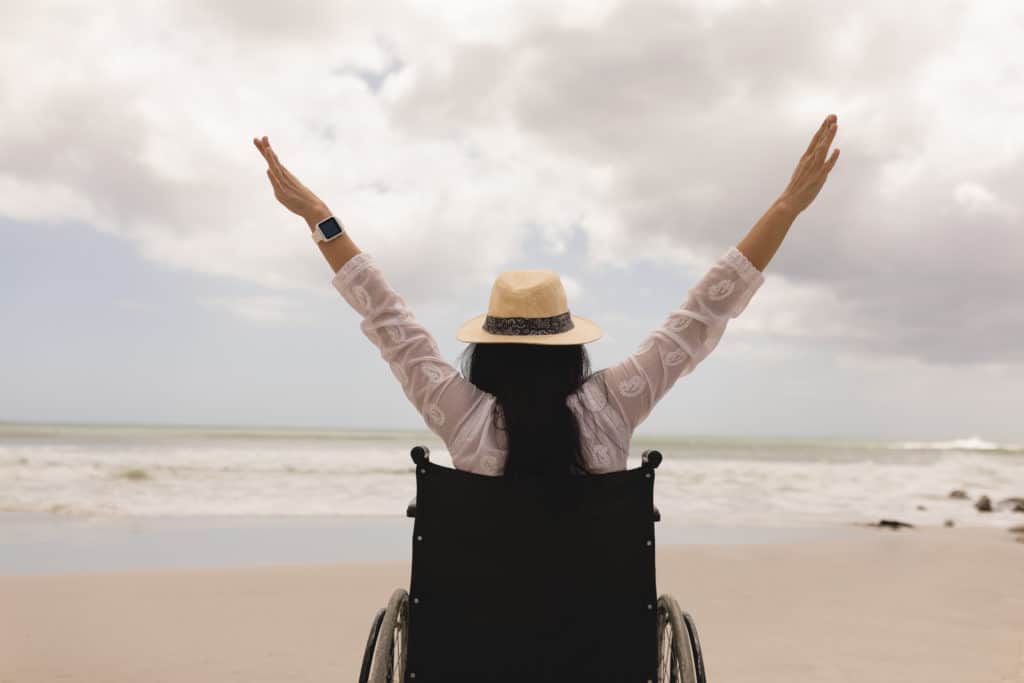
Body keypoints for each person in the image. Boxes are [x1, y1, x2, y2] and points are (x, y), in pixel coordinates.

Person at [253, 114, 840, 478]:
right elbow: (702, 313)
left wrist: (321, 218)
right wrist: (786, 208)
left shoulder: (459, 413)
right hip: (596, 639)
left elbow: (386, 316)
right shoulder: (613, 405)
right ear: (568, 346)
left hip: (479, 635)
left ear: (487, 348)